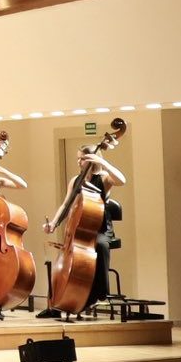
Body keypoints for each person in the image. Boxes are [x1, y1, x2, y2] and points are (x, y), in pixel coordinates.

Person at [40, 122, 127, 315]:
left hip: (101, 228)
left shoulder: (103, 178)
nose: (79, 162)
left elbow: (122, 180)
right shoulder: (75, 180)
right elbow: (66, 204)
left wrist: (103, 162)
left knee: (101, 246)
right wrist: (53, 224)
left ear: (92, 160)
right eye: (78, 159)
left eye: (82, 159)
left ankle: (99, 293)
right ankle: (56, 303)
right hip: (79, 229)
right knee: (65, 261)